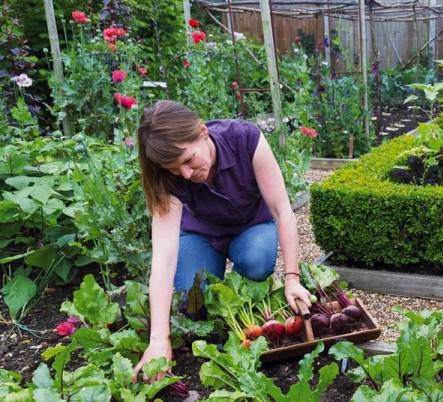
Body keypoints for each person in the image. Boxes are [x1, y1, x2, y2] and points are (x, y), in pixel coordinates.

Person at [132, 100, 311, 382]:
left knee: (257, 260)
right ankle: (220, 304)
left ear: (203, 131)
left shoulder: (245, 139)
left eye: (189, 160)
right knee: (194, 303)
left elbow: (282, 210)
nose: (187, 175)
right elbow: (163, 260)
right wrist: (158, 338)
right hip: (201, 234)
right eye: (176, 169)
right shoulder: (168, 177)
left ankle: (238, 297)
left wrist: (292, 277)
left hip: (250, 227)